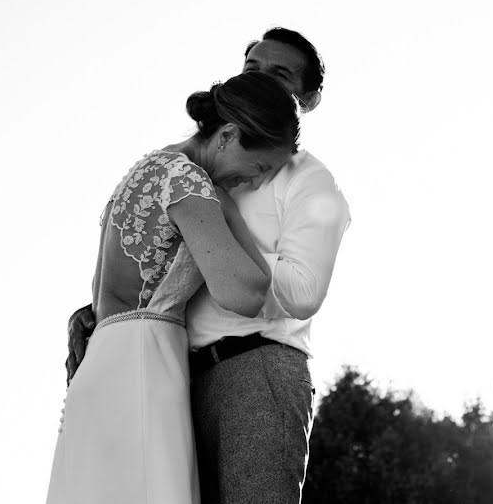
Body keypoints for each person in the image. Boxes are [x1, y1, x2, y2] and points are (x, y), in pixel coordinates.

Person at [66, 28, 351, 503]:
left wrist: (218, 234)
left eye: (280, 74)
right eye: (253, 69)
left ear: (310, 99)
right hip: (169, 370)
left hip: (251, 371)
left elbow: (302, 292)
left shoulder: (311, 181)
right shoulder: (192, 172)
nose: (263, 79)